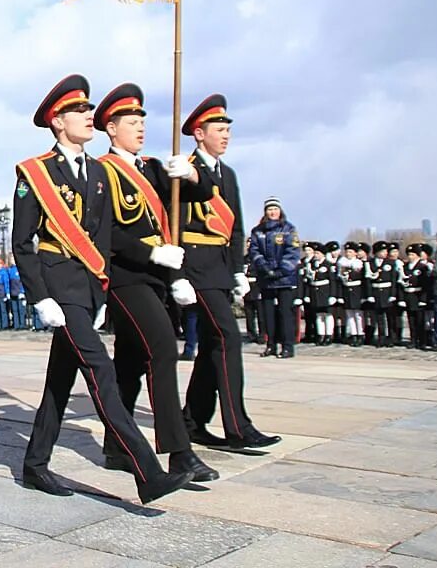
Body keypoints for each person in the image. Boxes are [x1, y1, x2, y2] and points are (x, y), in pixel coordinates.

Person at [14, 74, 192, 504]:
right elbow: (22, 243)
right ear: (58, 122)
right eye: (80, 111)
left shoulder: (97, 172)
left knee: (60, 381)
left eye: (89, 109)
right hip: (58, 287)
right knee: (102, 371)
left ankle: (35, 465)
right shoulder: (34, 173)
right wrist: (41, 297)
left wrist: (100, 294)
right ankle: (147, 471)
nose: (89, 116)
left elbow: (103, 240)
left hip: (86, 288)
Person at [93, 81, 219, 483]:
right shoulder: (101, 171)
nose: (140, 127)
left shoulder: (150, 168)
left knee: (129, 363)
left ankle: (116, 444)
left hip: (158, 279)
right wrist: (150, 253)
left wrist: (193, 175)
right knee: (163, 350)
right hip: (127, 279)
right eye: (131, 121)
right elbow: (104, 232)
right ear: (111, 129)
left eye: (142, 121)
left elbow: (203, 195)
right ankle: (179, 452)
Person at [179, 94, 280, 450]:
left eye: (227, 130)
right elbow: (172, 225)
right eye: (218, 130)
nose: (225, 136)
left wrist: (238, 269)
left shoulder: (229, 173)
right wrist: (177, 275)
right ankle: (238, 425)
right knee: (227, 338)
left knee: (211, 345)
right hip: (195, 266)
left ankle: (191, 419)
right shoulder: (184, 169)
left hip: (221, 268)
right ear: (198, 133)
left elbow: (235, 225)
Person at [247, 197, 301, 359]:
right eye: (269, 209)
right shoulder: (258, 231)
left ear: (280, 211)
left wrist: (281, 270)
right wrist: (264, 267)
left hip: (284, 278)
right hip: (266, 278)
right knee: (267, 314)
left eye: (275, 209)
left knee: (285, 313)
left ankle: (288, 346)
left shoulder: (288, 229)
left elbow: (293, 252)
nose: (272, 212)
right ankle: (271, 345)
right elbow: (254, 252)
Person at [303, 242, 339, 345]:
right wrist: (307, 294)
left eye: (317, 253)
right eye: (315, 253)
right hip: (315, 292)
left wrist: (333, 295)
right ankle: (320, 334)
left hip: (325, 293)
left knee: (327, 315)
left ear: (323, 254)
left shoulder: (329, 265)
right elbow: (309, 281)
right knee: (318, 315)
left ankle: (328, 335)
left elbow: (333, 281)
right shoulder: (312, 266)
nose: (315, 255)